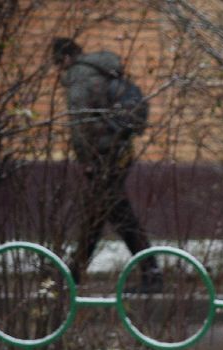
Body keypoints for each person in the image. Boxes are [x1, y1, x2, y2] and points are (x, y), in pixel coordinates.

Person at [51, 37, 162, 293]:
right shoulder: (104, 71)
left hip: (101, 157)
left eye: (58, 63)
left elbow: (80, 124)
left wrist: (87, 160)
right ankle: (74, 275)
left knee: (114, 213)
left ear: (65, 59)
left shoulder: (80, 76)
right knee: (99, 214)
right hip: (119, 151)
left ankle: (151, 273)